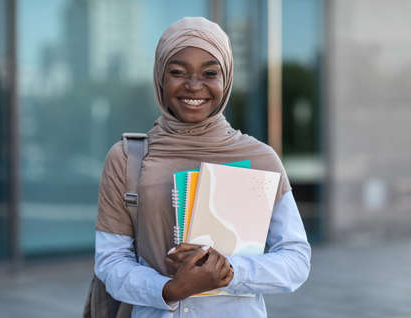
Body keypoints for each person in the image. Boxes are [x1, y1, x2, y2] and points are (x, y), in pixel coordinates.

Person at [94, 17, 311, 317]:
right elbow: (110, 262)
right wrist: (170, 290)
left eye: (210, 72)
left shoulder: (260, 159)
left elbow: (296, 259)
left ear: (227, 78)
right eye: (178, 72)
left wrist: (229, 270)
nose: (194, 85)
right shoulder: (128, 159)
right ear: (160, 78)